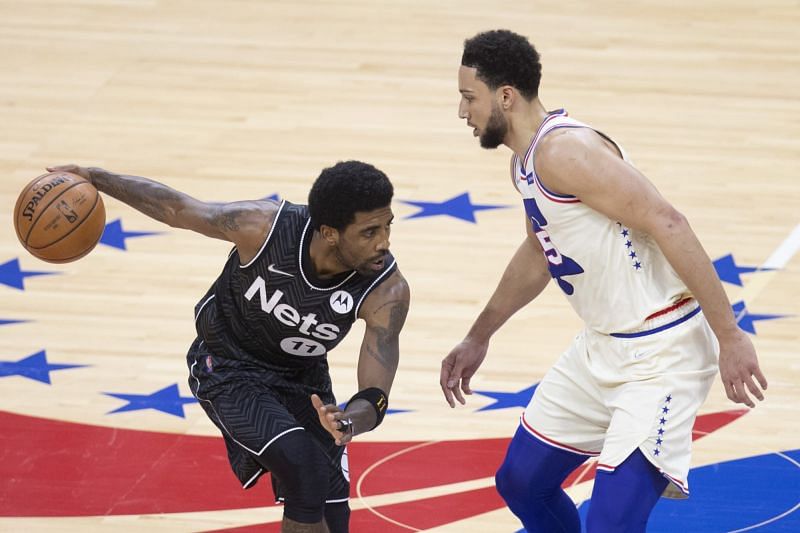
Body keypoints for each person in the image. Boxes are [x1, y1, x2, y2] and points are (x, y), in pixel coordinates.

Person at [439, 30, 768, 533]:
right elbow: (539, 252)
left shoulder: (563, 152)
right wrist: (479, 334)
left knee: (612, 523)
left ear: (505, 96)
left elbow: (669, 221)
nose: (463, 112)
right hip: (601, 348)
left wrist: (728, 334)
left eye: (469, 97)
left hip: (662, 354)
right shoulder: (524, 165)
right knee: (521, 482)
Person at [49, 161, 410, 533]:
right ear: (330, 233)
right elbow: (178, 209)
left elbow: (375, 393)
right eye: (369, 232)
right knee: (305, 469)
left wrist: (349, 420)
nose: (384, 242)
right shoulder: (264, 228)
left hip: (305, 383)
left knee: (334, 519)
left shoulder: (386, 291)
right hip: (227, 367)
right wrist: (96, 179)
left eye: (387, 226)